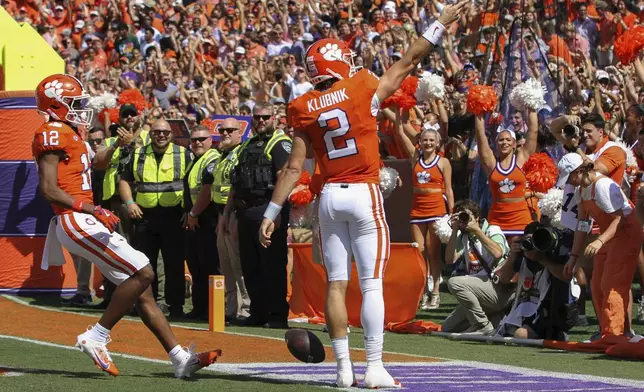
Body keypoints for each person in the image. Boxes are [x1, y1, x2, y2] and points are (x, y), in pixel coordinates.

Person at [258, 1, 468, 388]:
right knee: (371, 284)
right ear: (338, 63)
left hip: (328, 199)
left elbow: (293, 167)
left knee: (336, 283)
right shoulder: (361, 87)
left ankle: (342, 370)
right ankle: (373, 367)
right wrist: (439, 23)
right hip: (363, 192)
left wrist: (271, 212)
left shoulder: (302, 106)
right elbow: (409, 59)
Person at [32, 74, 220, 377]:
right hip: (76, 219)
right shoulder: (51, 132)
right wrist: (92, 208)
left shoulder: (71, 132)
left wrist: (120, 143)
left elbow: (98, 166)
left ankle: (179, 358)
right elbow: (48, 188)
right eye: (74, 103)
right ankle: (96, 335)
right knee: (145, 271)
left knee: (140, 289)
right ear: (56, 104)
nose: (81, 107)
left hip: (84, 218)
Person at [558, 153, 641, 338]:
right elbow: (582, 224)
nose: (569, 182)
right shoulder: (581, 191)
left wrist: (600, 240)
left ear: (579, 171)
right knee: (596, 285)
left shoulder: (603, 186)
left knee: (611, 283)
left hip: (626, 233)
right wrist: (573, 258)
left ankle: (617, 333)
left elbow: (620, 219)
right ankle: (608, 331)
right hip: (609, 235)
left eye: (570, 177)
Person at [225, 102, 292, 329]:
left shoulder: (280, 143)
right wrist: (229, 214)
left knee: (272, 264)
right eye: (257, 117)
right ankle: (258, 311)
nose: (260, 121)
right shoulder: (248, 145)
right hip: (245, 211)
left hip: (268, 208)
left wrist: (276, 213)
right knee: (250, 265)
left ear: (275, 118)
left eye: (265, 117)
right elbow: (237, 181)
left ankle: (276, 314)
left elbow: (285, 176)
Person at [118, 119, 191, 319]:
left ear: (171, 134)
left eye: (165, 132)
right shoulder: (139, 154)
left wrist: (189, 208)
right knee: (144, 264)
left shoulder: (184, 154)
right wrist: (130, 203)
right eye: (157, 132)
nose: (161, 135)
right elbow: (124, 179)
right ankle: (146, 305)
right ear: (150, 134)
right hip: (144, 216)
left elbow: (193, 182)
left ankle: (175, 307)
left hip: (174, 215)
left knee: (174, 263)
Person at [394, 108, 454, 310]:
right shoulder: (414, 158)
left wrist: (451, 213)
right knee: (418, 253)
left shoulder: (443, 162)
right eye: (425, 140)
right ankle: (423, 291)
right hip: (417, 212)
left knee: (433, 251)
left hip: (437, 210)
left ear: (437, 143)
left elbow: (449, 188)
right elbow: (400, 132)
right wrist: (398, 110)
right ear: (420, 142)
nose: (428, 143)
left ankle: (435, 292)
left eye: (431, 140)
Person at [442, 200, 512, 335]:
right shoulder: (463, 236)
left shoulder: (492, 230)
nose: (463, 222)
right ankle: (495, 318)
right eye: (460, 218)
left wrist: (477, 230)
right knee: (448, 327)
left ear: (477, 217)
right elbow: (450, 259)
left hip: (498, 288)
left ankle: (482, 325)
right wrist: (455, 229)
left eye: (466, 218)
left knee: (454, 283)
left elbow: (498, 253)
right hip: (478, 290)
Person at [496, 225, 576, 340]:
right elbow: (503, 278)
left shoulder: (553, 254)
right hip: (524, 306)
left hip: (549, 309)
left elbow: (566, 277)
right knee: (503, 332)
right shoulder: (523, 253)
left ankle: (554, 333)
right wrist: (513, 255)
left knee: (520, 335)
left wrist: (542, 259)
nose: (532, 245)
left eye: (535, 241)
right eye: (528, 240)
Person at [473, 107, 539, 238]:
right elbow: (481, 137)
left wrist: (531, 106)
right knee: (497, 257)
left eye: (508, 140)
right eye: (501, 140)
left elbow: (533, 132)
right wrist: (478, 111)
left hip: (521, 220)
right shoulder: (492, 164)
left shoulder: (520, 160)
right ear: (496, 144)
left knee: (518, 256)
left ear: (514, 144)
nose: (504, 143)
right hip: (497, 221)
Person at [213, 118, 250, 322]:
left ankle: (245, 308)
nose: (225, 133)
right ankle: (231, 308)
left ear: (239, 132)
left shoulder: (241, 153)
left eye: (230, 130)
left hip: (234, 212)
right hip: (222, 213)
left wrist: (227, 214)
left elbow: (236, 186)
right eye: (222, 130)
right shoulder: (223, 155)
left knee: (238, 264)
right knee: (226, 264)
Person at [183, 125, 221, 320]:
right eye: (194, 139)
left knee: (210, 267)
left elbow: (206, 190)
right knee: (196, 266)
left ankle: (213, 311)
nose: (197, 142)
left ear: (210, 140)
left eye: (202, 139)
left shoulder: (213, 159)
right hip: (195, 219)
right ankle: (199, 308)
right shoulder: (195, 160)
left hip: (208, 219)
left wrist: (194, 212)